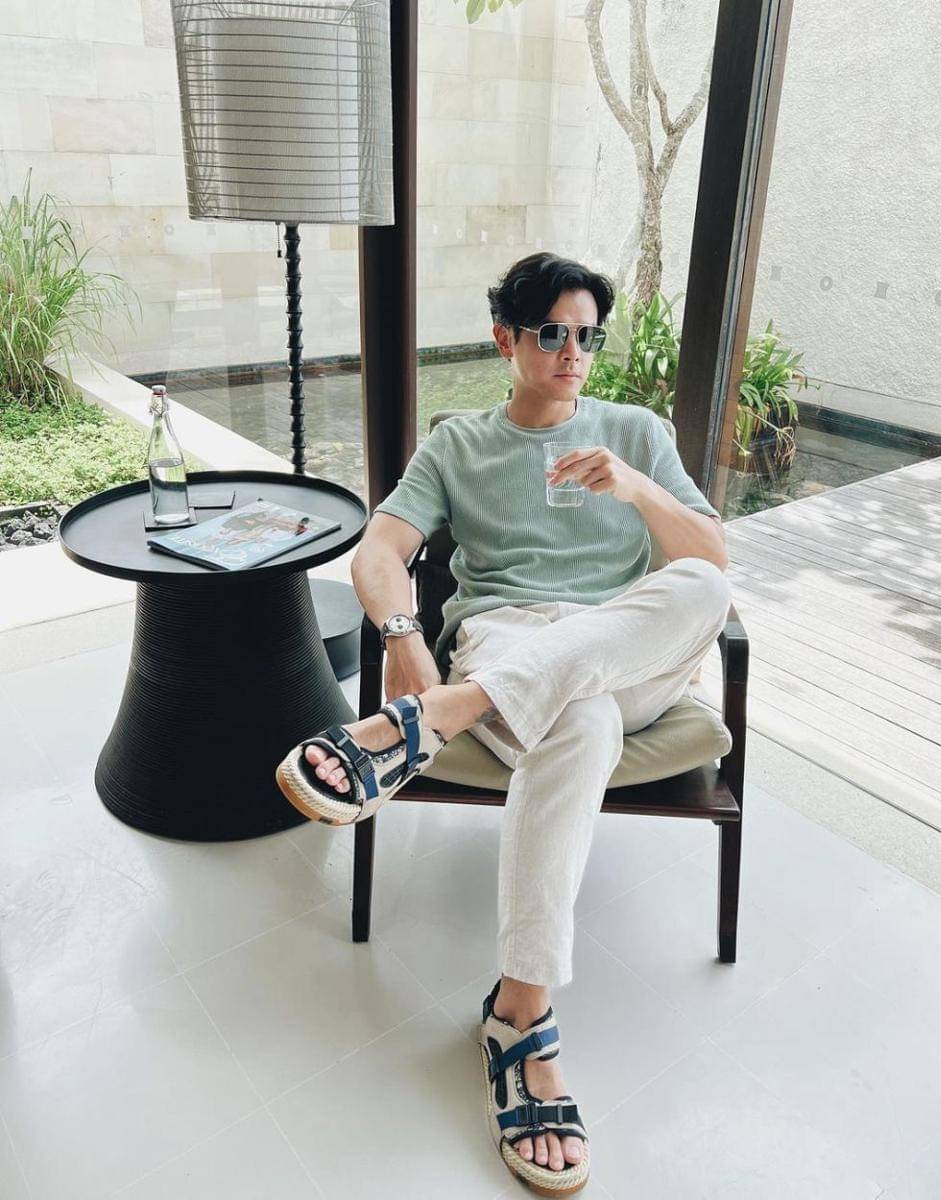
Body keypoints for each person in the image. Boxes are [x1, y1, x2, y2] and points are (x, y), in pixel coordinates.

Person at [277, 252, 732, 1194]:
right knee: (581, 720)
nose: (574, 353)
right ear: (505, 341)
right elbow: (379, 553)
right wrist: (403, 634)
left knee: (701, 585)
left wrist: (637, 489)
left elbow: (710, 556)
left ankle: (441, 716)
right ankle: (521, 1014)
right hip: (514, 640)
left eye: (587, 335)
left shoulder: (636, 432)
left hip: (623, 646)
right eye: (552, 333)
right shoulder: (459, 445)